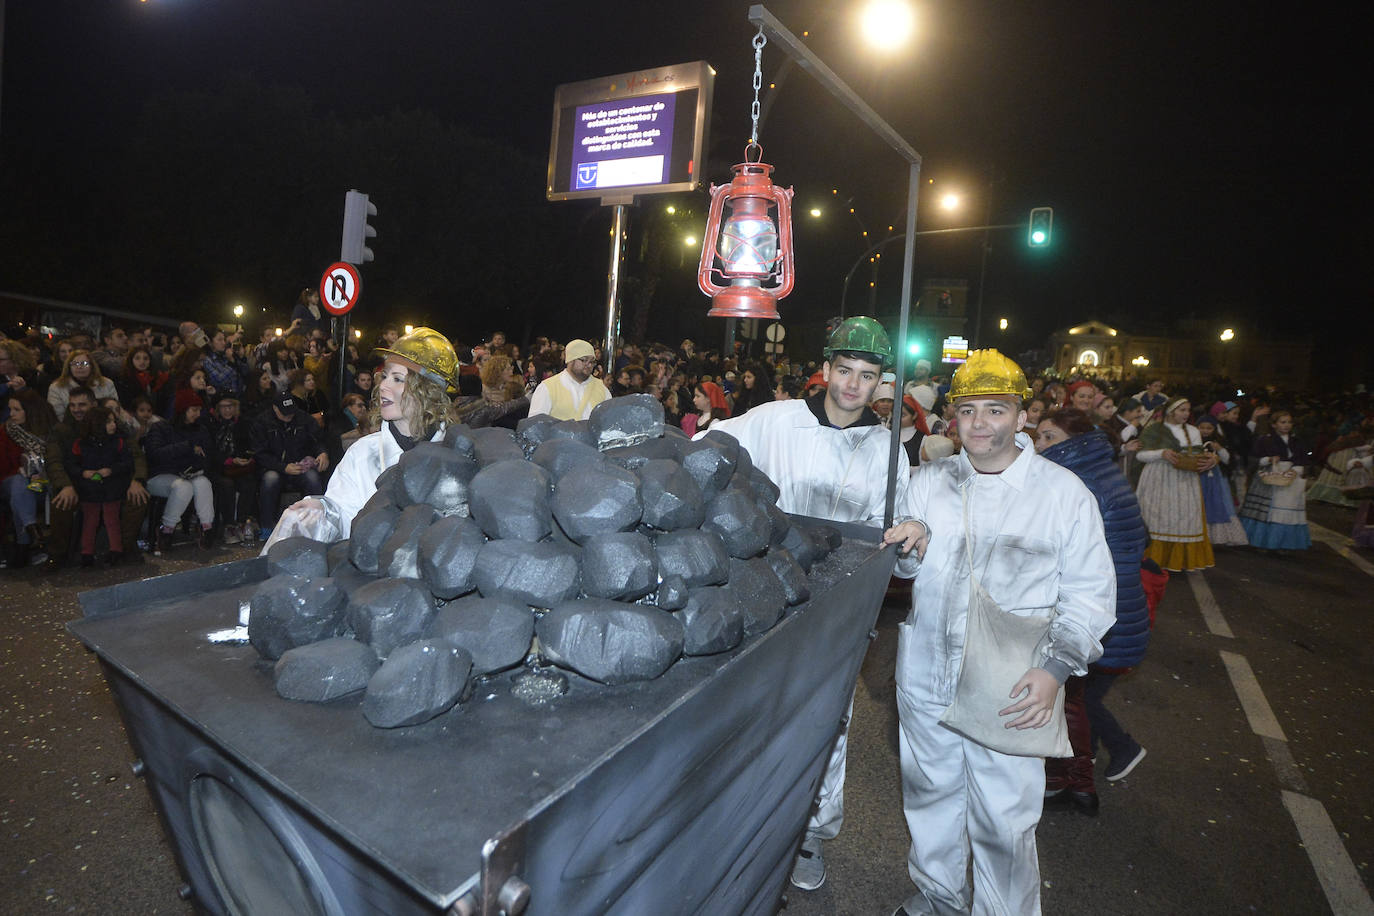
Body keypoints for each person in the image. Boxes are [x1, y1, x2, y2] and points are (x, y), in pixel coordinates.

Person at [882, 349, 1115, 916]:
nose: (980, 425)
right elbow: (901, 574)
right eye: (968, 412)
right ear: (953, 418)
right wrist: (906, 546)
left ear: (1020, 417)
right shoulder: (929, 481)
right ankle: (939, 899)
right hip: (927, 674)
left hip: (1013, 686)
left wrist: (1055, 669)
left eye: (995, 411)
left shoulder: (1062, 495)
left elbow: (1090, 596)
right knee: (930, 801)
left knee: (1003, 822)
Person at [701, 317, 907, 892]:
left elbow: (903, 538)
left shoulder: (888, 451)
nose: (852, 386)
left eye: (867, 376)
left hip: (840, 607)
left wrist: (912, 532)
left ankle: (810, 832)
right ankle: (739, 826)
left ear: (879, 384)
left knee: (828, 719)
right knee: (751, 712)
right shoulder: (774, 419)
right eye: (845, 371)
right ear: (826, 369)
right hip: (765, 594)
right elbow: (705, 448)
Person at [1033, 408, 1151, 814]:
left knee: (1067, 698)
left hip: (1100, 611)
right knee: (1077, 698)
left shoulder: (1075, 482)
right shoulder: (1104, 470)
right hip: (1121, 605)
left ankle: (1074, 780)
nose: (1039, 445)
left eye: (1049, 437)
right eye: (1039, 436)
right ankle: (1077, 774)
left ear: (1073, 441)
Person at [262, 327, 457, 549]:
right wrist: (318, 512)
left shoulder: (457, 456)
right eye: (384, 376)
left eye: (397, 379)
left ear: (428, 390)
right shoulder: (362, 452)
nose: (383, 386)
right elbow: (344, 514)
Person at [44, 387, 151, 565]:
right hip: (79, 484)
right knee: (61, 501)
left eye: (82, 405)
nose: (77, 409)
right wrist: (65, 485)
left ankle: (124, 548)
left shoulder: (114, 426)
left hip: (113, 483)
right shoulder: (62, 430)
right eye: (72, 405)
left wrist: (137, 480)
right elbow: (54, 461)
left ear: (93, 404)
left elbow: (135, 455)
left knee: (138, 497)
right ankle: (58, 554)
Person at [1133, 397, 1216, 571]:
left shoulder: (1193, 431)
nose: (1186, 414)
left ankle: (1177, 560)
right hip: (1158, 478)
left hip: (1185, 479)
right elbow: (1140, 455)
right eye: (1182, 410)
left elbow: (1197, 453)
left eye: (1188, 410)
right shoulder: (1154, 429)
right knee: (1156, 518)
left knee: (1183, 518)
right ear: (1171, 411)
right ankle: (1151, 558)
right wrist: (1161, 453)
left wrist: (1210, 459)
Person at [144, 389, 218, 553]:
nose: (197, 414)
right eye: (194, 410)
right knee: (183, 486)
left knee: (203, 483)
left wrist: (196, 465)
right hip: (160, 475)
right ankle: (166, 530)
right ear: (182, 410)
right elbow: (155, 454)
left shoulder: (200, 430)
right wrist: (187, 448)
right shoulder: (161, 428)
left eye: (199, 410)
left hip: (188, 474)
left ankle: (207, 527)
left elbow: (208, 457)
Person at [251, 390, 329, 539]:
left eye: (291, 412)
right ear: (275, 408)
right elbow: (259, 453)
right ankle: (267, 526)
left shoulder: (304, 419)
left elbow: (319, 440)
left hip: (300, 466)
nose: (288, 416)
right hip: (274, 467)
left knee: (313, 479)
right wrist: (283, 467)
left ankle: (314, 524)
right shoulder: (262, 423)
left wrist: (322, 453)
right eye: (284, 413)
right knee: (270, 479)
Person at [63, 405, 135, 566]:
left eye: (113, 421)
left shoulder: (119, 442)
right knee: (90, 520)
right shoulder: (80, 444)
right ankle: (86, 553)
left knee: (112, 519)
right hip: (89, 489)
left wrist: (112, 470)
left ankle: (116, 550)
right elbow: (71, 464)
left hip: (112, 488)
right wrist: (83, 473)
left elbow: (127, 463)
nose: (113, 425)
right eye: (109, 422)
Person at [1238, 410, 1312, 550]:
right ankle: (1264, 541)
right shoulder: (1264, 440)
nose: (1286, 425)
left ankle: (1284, 544)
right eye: (1283, 422)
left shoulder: (1296, 441)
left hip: (1291, 480)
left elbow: (1303, 460)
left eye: (1289, 422)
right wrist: (1268, 459)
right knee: (1269, 511)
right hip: (1270, 479)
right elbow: (1253, 459)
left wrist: (1296, 470)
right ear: (1273, 424)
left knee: (1287, 511)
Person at [2, 389, 57, 566]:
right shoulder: (7, 431)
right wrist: (20, 470)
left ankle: (24, 543)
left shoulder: (49, 432)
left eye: (17, 410)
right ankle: (32, 533)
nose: (12, 414)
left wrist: (39, 475)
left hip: (42, 483)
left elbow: (57, 461)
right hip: (10, 481)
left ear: (30, 410)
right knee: (20, 484)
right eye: (10, 409)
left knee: (21, 496)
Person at [206, 394, 258, 546]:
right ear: (217, 408)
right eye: (223, 407)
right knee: (226, 485)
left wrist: (246, 458)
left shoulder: (243, 424)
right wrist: (228, 460)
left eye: (230, 406)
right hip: (218, 467)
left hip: (238, 467)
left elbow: (249, 445)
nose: (227, 410)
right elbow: (210, 451)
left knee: (248, 482)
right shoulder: (211, 425)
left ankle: (242, 521)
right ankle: (229, 524)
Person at [1195, 415, 1248, 546]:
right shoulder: (1193, 442)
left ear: (1214, 429)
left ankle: (1219, 536)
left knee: (1219, 504)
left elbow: (1228, 460)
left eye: (1209, 428)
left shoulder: (1220, 442)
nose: (1205, 431)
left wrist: (1219, 449)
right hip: (1198, 477)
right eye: (1202, 428)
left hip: (1216, 478)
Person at [527, 339, 610, 420]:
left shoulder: (602, 388)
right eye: (584, 360)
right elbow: (535, 426)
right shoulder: (547, 388)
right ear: (570, 360)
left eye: (592, 361)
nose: (589, 365)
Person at [47, 349, 118, 418]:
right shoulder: (56, 388)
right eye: (75, 364)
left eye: (85, 363)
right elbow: (58, 415)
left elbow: (116, 409)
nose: (80, 367)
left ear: (92, 366)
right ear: (68, 367)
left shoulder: (106, 383)